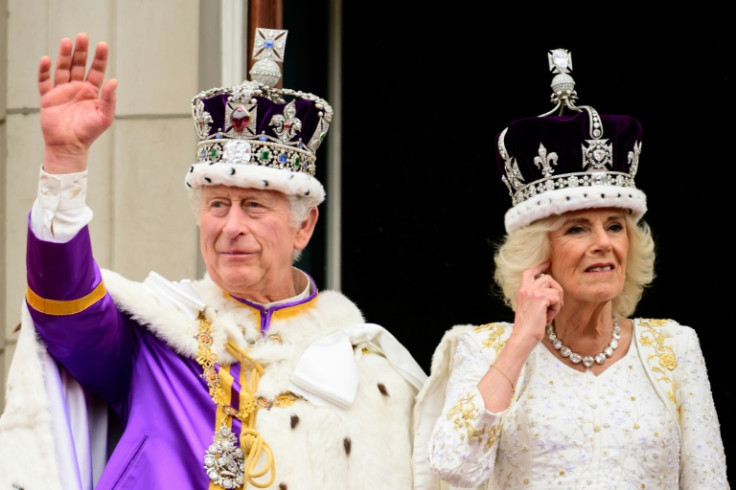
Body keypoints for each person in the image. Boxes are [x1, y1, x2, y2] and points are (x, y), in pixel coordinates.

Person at [0, 30, 427, 490]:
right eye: (217, 205)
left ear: (304, 225)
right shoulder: (155, 337)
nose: (231, 226)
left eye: (255, 206)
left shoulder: (372, 368)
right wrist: (65, 161)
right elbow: (63, 306)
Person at [412, 49, 728, 489]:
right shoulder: (485, 349)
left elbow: (708, 481)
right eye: (578, 228)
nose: (603, 243)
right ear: (540, 253)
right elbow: (452, 466)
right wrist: (522, 339)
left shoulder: (675, 349)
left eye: (615, 225)